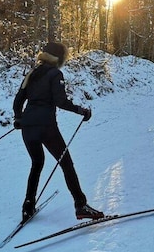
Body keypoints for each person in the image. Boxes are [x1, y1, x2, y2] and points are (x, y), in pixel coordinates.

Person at [13, 42, 104, 222]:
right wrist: (81, 111)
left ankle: (27, 207)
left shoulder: (33, 73)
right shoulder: (55, 74)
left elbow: (18, 100)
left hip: (28, 127)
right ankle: (81, 205)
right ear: (59, 57)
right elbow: (60, 101)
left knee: (36, 164)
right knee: (66, 164)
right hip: (46, 127)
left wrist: (18, 119)